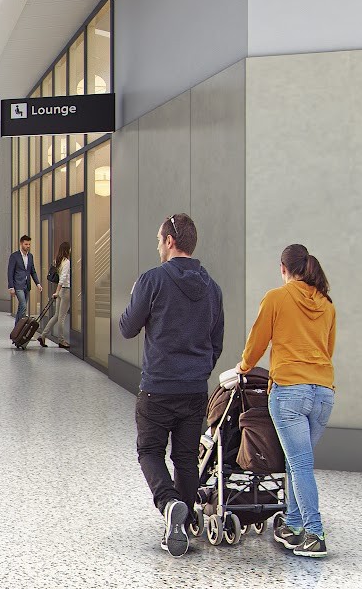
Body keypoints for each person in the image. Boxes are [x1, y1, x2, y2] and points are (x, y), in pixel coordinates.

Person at [118, 213, 224, 558]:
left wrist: (134, 297)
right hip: (194, 388)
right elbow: (216, 342)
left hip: (158, 387)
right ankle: (182, 522)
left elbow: (127, 328)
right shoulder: (212, 288)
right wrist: (199, 370)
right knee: (186, 459)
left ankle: (169, 504)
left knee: (149, 451)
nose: (157, 246)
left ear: (169, 241)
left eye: (158, 240)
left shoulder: (152, 280)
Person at [223, 243, 336, 559]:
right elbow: (327, 349)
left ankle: (314, 533)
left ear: (283, 269)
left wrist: (243, 367)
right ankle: (293, 525)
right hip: (324, 393)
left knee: (300, 464)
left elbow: (257, 343)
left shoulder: (276, 298)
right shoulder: (327, 305)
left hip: (290, 392)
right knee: (296, 462)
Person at [38, 242, 72, 349]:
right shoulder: (67, 262)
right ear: (67, 250)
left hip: (61, 292)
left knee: (57, 315)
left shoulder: (59, 261)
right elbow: (62, 278)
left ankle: (43, 335)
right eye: (70, 249)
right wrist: (57, 291)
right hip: (65, 291)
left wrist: (58, 292)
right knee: (61, 317)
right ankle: (61, 341)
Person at [6, 235, 38, 319]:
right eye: (26, 244)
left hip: (27, 285)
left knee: (21, 306)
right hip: (18, 285)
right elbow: (10, 272)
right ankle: (21, 325)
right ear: (21, 244)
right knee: (23, 305)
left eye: (29, 244)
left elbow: (32, 271)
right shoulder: (14, 256)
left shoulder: (30, 256)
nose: (28, 246)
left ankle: (18, 326)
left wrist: (37, 283)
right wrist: (11, 287)